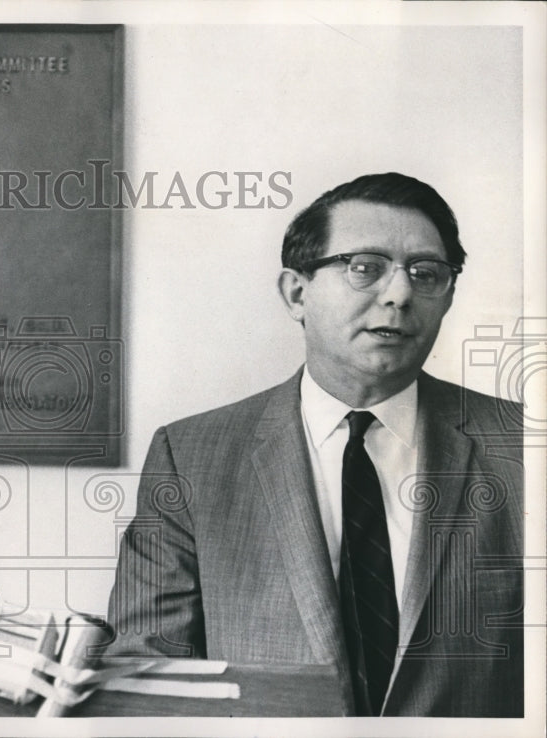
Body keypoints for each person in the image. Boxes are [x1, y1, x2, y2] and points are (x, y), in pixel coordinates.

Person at [106, 172, 524, 717]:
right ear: (297, 293)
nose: (399, 294)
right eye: (365, 268)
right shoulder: (191, 457)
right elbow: (146, 676)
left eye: (426, 273)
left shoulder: (522, 447)